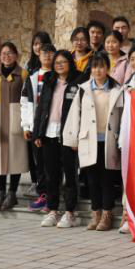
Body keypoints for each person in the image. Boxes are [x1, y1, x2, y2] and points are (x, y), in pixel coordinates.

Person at [63, 53, 125, 231]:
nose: (98, 70)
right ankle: (95, 213)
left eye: (102, 66)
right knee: (92, 180)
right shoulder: (83, 90)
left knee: (107, 179)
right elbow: (74, 115)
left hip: (109, 141)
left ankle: (107, 214)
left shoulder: (117, 89)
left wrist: (122, 138)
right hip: (88, 140)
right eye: (95, 67)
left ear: (108, 68)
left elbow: (122, 116)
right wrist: (73, 139)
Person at [32, 50, 82, 228]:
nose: (59, 65)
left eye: (63, 62)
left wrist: (78, 137)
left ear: (70, 63)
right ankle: (53, 210)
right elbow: (41, 108)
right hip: (49, 133)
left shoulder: (79, 81)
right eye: (57, 62)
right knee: (51, 175)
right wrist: (38, 133)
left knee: (70, 174)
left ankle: (70, 212)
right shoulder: (49, 81)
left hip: (68, 133)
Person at [0, 42, 30, 211]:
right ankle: (0, 192)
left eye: (10, 53)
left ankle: (12, 193)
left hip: (17, 120)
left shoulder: (23, 74)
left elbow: (28, 99)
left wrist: (27, 122)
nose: (6, 56)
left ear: (16, 55)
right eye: (3, 53)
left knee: (16, 157)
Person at [20, 42, 55, 210]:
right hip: (35, 125)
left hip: (53, 127)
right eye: (44, 53)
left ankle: (53, 196)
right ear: (39, 56)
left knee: (52, 164)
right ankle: (43, 196)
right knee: (39, 163)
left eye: (50, 53)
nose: (47, 56)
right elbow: (24, 103)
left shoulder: (58, 76)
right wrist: (26, 126)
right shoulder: (32, 78)